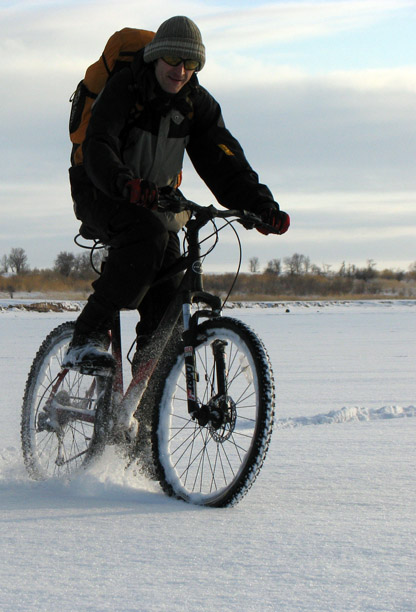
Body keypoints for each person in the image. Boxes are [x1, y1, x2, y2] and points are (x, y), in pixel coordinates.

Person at [63, 15, 290, 373]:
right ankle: (86, 338)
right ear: (156, 56)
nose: (181, 70)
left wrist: (260, 204)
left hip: (155, 204)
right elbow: (99, 146)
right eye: (173, 60)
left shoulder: (197, 106)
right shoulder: (125, 89)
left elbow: (224, 161)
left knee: (167, 300)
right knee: (147, 239)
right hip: (101, 190)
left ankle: (138, 410)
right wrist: (124, 183)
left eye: (191, 63)